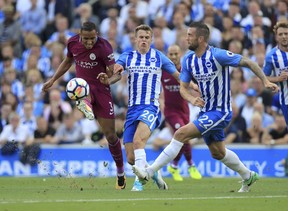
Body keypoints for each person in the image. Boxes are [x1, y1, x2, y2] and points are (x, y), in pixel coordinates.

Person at [132, 22, 279, 192]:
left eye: (190, 35)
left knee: (180, 134)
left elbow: (248, 62)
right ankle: (248, 175)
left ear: (200, 39)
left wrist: (265, 80)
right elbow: (183, 87)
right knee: (217, 152)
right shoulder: (188, 59)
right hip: (205, 111)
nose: (186, 38)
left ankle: (148, 173)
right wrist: (192, 99)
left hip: (221, 111)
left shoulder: (218, 55)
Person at [97, 24, 190, 191]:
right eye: (141, 37)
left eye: (147, 37)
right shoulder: (127, 57)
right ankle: (153, 173)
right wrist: (107, 81)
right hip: (132, 110)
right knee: (132, 158)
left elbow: (178, 76)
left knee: (139, 141)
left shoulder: (159, 57)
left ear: (151, 39)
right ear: (135, 39)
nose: (144, 40)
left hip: (151, 108)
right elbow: (116, 75)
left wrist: (194, 86)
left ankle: (139, 183)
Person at [42, 21, 126, 190]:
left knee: (110, 135)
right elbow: (67, 61)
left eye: (92, 38)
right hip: (83, 88)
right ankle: (85, 105)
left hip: (102, 90)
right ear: (80, 35)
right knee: (80, 91)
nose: (89, 42)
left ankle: (120, 174)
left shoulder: (104, 47)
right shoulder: (72, 42)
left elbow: (116, 75)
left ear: (97, 35)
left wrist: (107, 79)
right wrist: (53, 79)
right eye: (86, 38)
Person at [161, 44, 202, 181]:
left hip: (184, 110)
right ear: (167, 55)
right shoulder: (163, 71)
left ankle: (174, 165)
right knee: (182, 134)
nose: (173, 57)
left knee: (184, 138)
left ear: (180, 55)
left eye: (175, 54)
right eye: (170, 54)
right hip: (170, 112)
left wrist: (196, 87)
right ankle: (191, 164)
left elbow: (190, 82)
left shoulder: (186, 70)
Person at [263, 20, 288, 128]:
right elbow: (264, 77)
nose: (283, 36)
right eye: (280, 34)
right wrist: (278, 79)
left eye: (286, 34)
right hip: (286, 100)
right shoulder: (271, 56)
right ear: (276, 37)